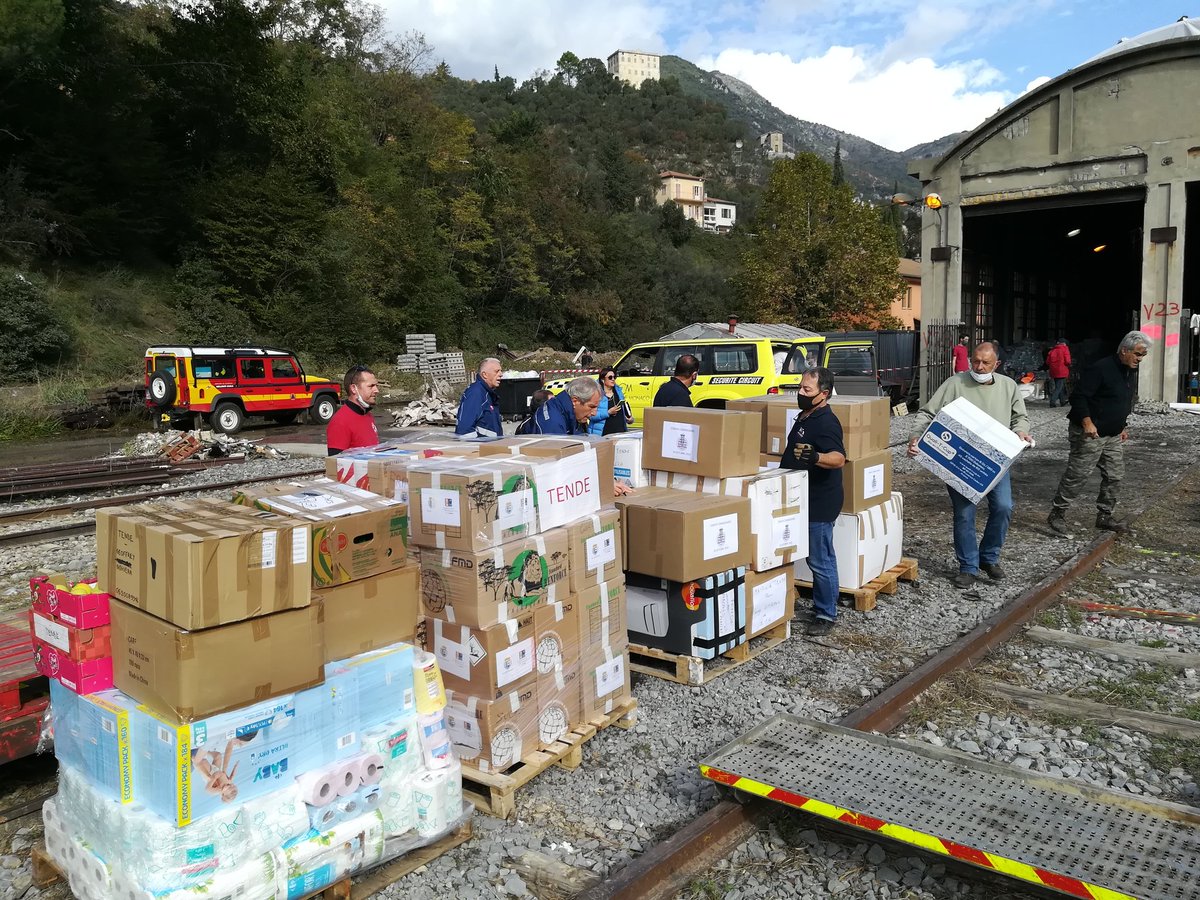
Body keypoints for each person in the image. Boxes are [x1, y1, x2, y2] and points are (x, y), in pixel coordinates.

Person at [906, 342, 1032, 589]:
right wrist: (916, 436)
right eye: (975, 361)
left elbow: (1020, 417)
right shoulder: (955, 383)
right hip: (960, 460)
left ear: (997, 364)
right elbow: (928, 413)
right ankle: (968, 567)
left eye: (986, 363)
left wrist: (1020, 431)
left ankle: (989, 557)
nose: (979, 367)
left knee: (1004, 507)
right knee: (964, 513)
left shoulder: (1008, 386)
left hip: (995, 460)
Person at [1048, 331, 1150, 535]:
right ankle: (1057, 514)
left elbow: (1119, 400)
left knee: (1115, 475)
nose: (1140, 359)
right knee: (1078, 475)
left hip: (1112, 434)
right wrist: (1087, 422)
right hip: (1090, 433)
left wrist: (1121, 426)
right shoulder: (1100, 368)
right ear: (1124, 350)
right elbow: (1078, 397)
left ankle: (1104, 515)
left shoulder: (1128, 371)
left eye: (1143, 355)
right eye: (1138, 354)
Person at [779, 368, 846, 637]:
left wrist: (816, 457)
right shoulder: (805, 415)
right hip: (801, 497)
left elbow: (839, 458)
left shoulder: (827, 422)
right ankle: (825, 603)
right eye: (800, 387)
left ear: (824, 394)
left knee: (820, 559)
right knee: (818, 556)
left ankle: (826, 613)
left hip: (819, 502)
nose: (801, 393)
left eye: (807, 390)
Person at [326, 365, 379, 455]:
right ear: (354, 389)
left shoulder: (367, 415)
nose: (376, 390)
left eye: (376, 385)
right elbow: (335, 461)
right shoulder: (340, 421)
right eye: (371, 386)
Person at [532, 377, 600, 435]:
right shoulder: (553, 423)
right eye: (591, 407)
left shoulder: (574, 414)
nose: (594, 413)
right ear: (575, 401)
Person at [455, 358, 503, 438]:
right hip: (482, 445)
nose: (501, 374)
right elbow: (464, 430)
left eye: (501, 371)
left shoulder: (487, 394)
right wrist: (477, 445)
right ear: (484, 375)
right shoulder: (476, 393)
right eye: (497, 371)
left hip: (491, 444)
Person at [588, 367, 632, 436]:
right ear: (602, 380)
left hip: (620, 432)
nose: (613, 379)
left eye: (614, 377)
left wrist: (629, 419)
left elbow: (624, 412)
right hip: (602, 434)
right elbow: (591, 416)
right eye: (610, 377)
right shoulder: (595, 394)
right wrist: (608, 413)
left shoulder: (619, 392)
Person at [1046, 338, 1072, 407]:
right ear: (1064, 343)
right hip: (1061, 370)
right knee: (1058, 387)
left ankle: (1062, 401)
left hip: (1053, 370)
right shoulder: (1065, 349)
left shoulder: (1052, 350)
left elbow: (1047, 362)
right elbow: (1068, 361)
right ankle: (1052, 401)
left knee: (1060, 386)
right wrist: (1069, 365)